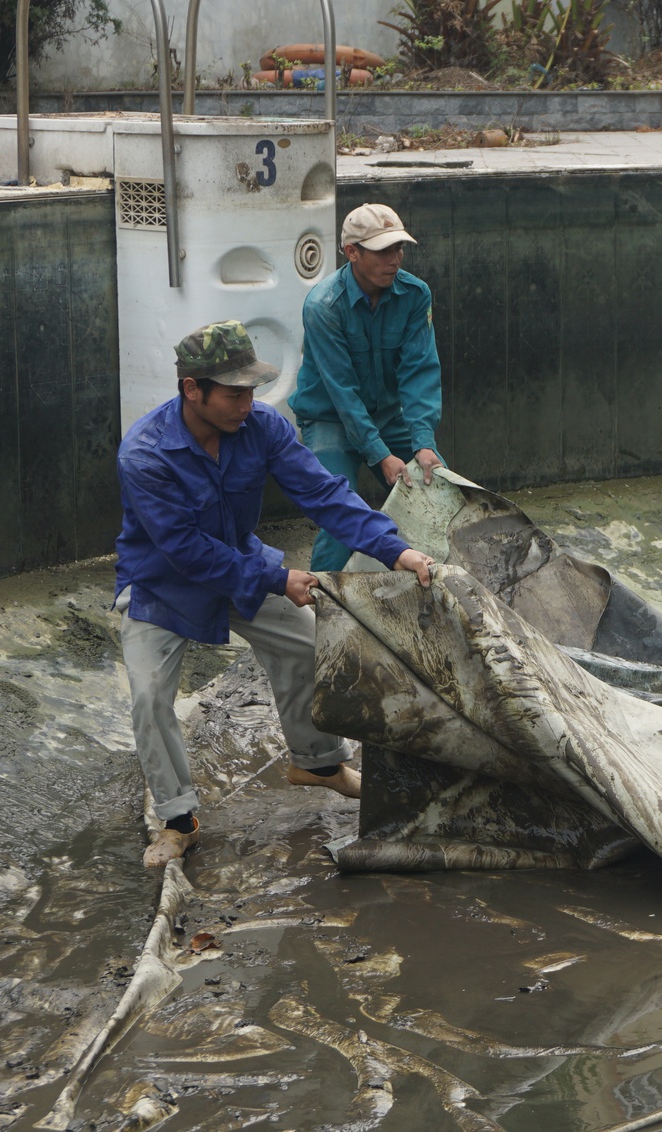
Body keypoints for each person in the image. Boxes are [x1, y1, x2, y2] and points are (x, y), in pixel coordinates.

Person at [116, 320, 435, 867]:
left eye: (251, 390)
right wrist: (276, 578)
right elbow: (185, 550)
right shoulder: (144, 454)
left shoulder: (262, 426)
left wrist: (396, 550)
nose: (248, 402)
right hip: (164, 587)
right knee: (148, 695)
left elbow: (324, 494)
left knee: (311, 645)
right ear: (193, 389)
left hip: (242, 564)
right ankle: (177, 820)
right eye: (234, 392)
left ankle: (316, 762)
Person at [290, 202, 444, 573]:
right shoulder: (324, 306)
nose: (395, 259)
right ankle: (324, 606)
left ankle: (433, 594)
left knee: (435, 499)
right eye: (383, 251)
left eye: (399, 249)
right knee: (341, 517)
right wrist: (379, 453)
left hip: (390, 415)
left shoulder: (414, 294)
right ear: (352, 252)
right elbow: (342, 393)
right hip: (330, 419)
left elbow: (419, 371)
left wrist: (422, 441)